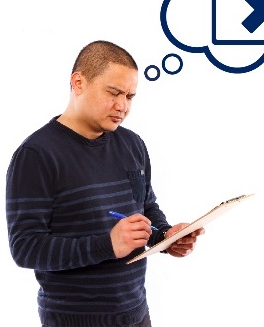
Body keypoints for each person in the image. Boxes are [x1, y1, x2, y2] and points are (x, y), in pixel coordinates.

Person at [6, 40, 204, 327]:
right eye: (113, 93)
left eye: (130, 96)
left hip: (136, 313)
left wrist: (165, 237)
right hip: (73, 320)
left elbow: (146, 208)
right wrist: (107, 245)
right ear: (78, 83)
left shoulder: (132, 144)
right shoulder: (36, 155)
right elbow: (25, 248)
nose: (122, 106)